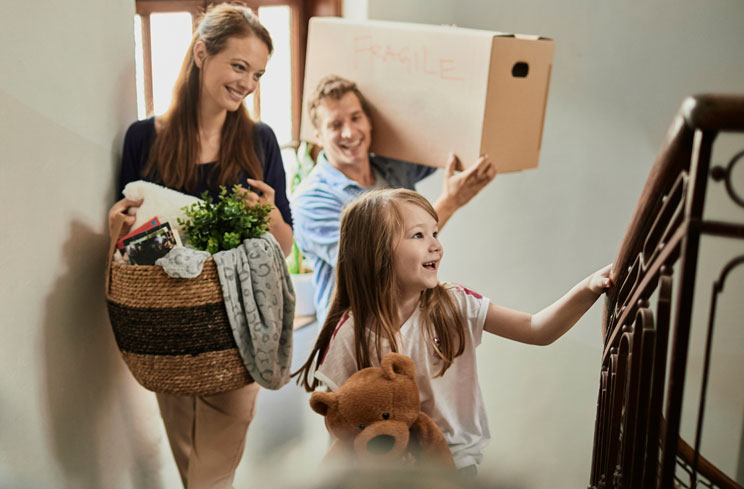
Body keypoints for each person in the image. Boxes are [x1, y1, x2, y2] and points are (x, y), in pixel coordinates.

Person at [295, 189, 612, 473]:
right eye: (419, 235)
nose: (436, 245)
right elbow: (345, 421)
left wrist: (589, 288)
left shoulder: (456, 304)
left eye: (434, 232)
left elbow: (536, 329)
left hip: (457, 466)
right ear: (377, 252)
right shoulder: (350, 332)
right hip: (389, 474)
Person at [107, 5, 292, 488]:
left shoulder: (259, 140)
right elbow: (131, 251)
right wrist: (117, 227)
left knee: (211, 475)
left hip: (237, 333)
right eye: (239, 66)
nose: (248, 83)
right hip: (168, 330)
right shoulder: (144, 139)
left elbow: (285, 247)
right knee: (196, 475)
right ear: (201, 53)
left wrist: (268, 212)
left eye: (257, 73)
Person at [290, 75, 497, 324]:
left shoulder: (392, 167)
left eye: (356, 118)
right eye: (335, 125)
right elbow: (376, 263)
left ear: (369, 121)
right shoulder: (311, 200)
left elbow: (441, 142)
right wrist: (451, 201)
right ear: (318, 136)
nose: (349, 132)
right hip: (356, 334)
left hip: (410, 323)